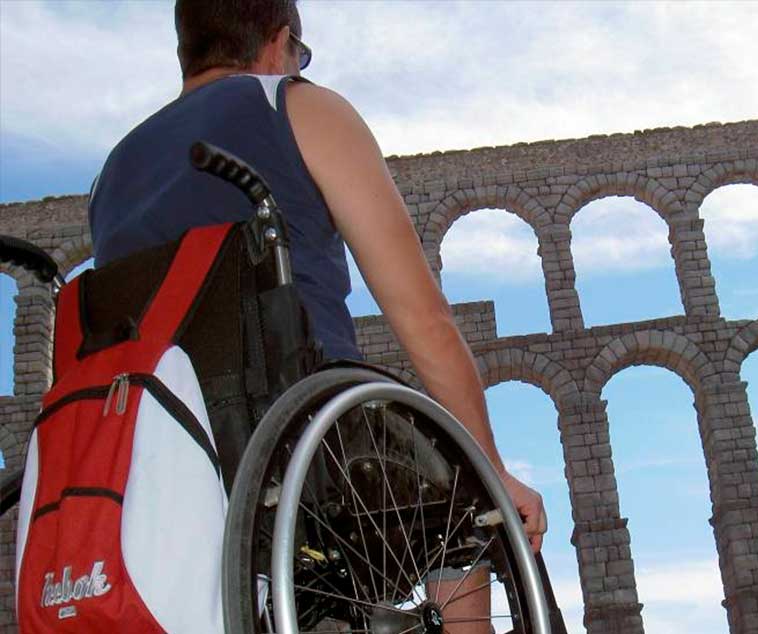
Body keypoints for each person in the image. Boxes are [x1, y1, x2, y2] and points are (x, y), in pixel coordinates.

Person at [86, 0, 547, 630]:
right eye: (298, 56)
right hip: (297, 441)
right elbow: (424, 322)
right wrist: (492, 473)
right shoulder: (298, 105)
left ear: (185, 51)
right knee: (464, 507)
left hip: (149, 457)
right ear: (279, 44)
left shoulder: (113, 170)